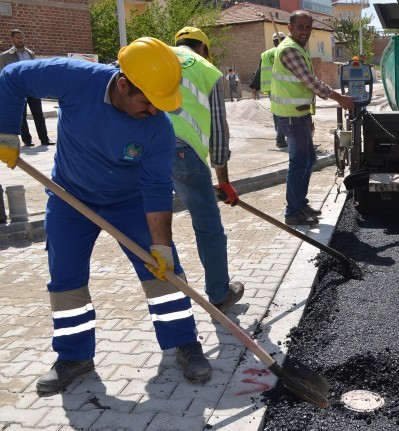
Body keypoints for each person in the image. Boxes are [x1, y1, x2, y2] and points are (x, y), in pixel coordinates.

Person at [0, 37, 213, 392]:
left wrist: (161, 246)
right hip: (70, 197)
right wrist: (6, 130)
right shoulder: (75, 78)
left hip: (128, 202)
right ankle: (74, 356)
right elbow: (12, 76)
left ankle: (184, 343)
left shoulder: (158, 128)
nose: (154, 110)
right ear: (124, 84)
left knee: (163, 272)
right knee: (65, 280)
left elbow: (157, 189)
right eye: (147, 101)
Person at [171, 26, 245, 312]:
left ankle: (171, 300)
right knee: (208, 226)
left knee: (153, 227)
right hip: (183, 153)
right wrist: (223, 181)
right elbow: (217, 128)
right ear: (203, 49)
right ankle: (218, 293)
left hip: (145, 151)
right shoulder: (206, 69)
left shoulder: (157, 57)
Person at [271, 11, 355, 225]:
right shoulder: (289, 50)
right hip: (291, 117)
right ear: (290, 28)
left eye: (308, 28)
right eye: (300, 27)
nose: (305, 32)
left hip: (300, 115)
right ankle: (292, 212)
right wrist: (339, 98)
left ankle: (300, 203)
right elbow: (311, 81)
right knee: (299, 162)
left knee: (309, 160)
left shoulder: (298, 49)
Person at [0, 29, 55, 147]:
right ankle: (27, 140)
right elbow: (3, 74)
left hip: (33, 89)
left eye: (22, 37)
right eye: (17, 37)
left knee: (38, 114)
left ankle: (44, 139)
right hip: (18, 91)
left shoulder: (30, 53)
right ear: (12, 39)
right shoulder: (5, 56)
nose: (20, 39)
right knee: (22, 116)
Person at [250, 32, 288, 149]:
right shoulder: (286, 52)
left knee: (277, 112)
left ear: (273, 42)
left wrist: (254, 87)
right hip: (284, 87)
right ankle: (281, 138)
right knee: (284, 112)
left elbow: (259, 71)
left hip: (272, 89)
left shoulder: (266, 55)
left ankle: (280, 136)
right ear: (284, 40)